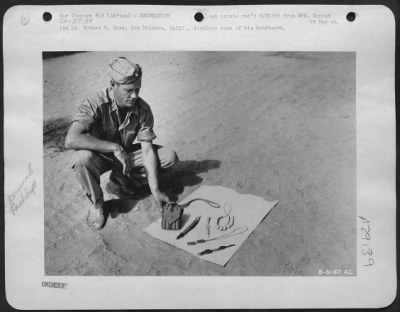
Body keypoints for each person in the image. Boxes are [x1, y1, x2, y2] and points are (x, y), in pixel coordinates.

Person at [65, 57, 178, 229]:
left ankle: (121, 176)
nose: (134, 96)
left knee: (168, 156)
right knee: (80, 159)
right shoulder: (93, 102)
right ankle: (97, 205)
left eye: (138, 89)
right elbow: (72, 139)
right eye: (129, 90)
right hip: (99, 157)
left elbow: (147, 151)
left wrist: (155, 190)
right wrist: (114, 147)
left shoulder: (143, 109)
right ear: (113, 84)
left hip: (126, 155)